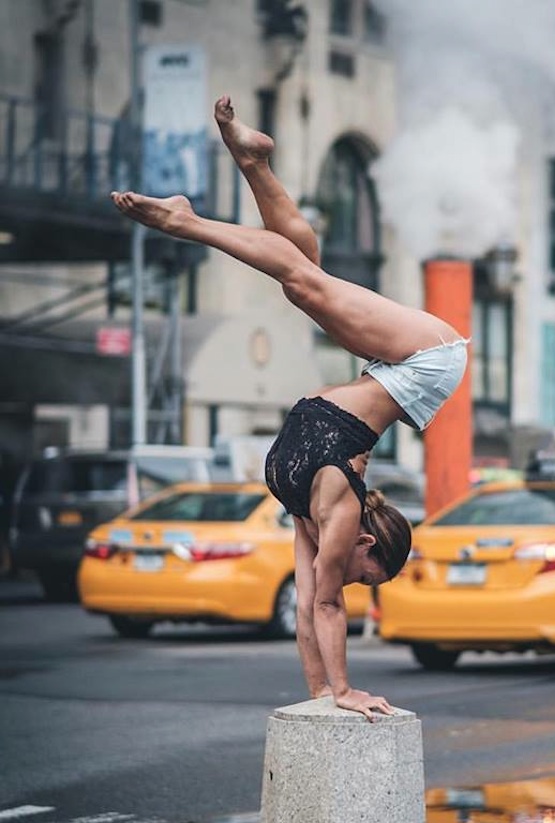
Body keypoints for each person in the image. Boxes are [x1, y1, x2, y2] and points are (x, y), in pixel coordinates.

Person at [110, 96, 468, 721]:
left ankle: (254, 163)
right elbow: (330, 606)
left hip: (389, 373)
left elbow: (308, 607)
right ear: (365, 542)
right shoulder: (343, 507)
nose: (355, 582)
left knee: (301, 266)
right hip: (430, 361)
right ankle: (185, 222)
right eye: (368, 575)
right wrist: (349, 689)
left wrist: (322, 699)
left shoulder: (313, 517)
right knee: (307, 282)